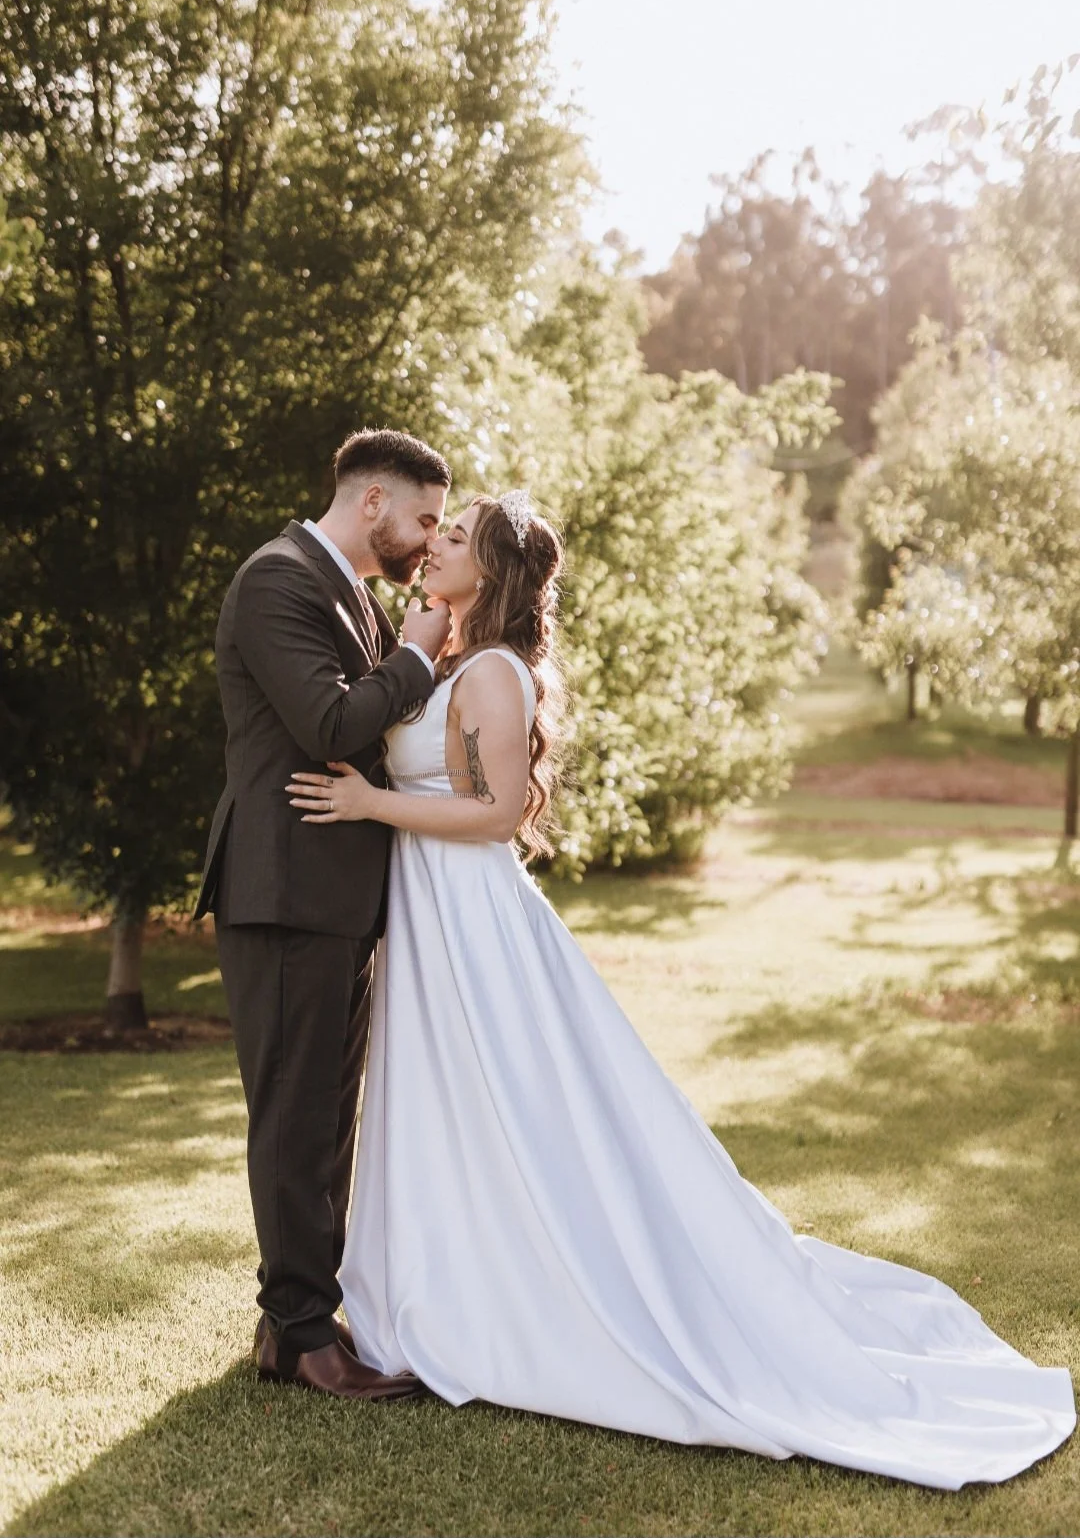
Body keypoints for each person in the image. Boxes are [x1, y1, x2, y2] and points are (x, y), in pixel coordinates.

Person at [285, 489, 1076, 1486]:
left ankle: (518, 1299)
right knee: (451, 1104)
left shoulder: (491, 671)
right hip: (436, 911)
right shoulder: (455, 654)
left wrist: (368, 802)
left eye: (452, 537)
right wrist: (412, 649)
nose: (430, 545)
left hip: (469, 910)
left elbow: (490, 817)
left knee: (510, 1103)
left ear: (489, 572)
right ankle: (448, 1285)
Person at [194, 428, 453, 1401]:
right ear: (374, 501)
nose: (429, 539)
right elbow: (332, 723)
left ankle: (293, 1320)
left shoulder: (353, 593)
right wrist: (420, 655)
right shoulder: (277, 580)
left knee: (322, 1115)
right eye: (425, 518)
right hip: (285, 885)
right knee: (295, 1112)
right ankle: (303, 1335)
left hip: (335, 890)